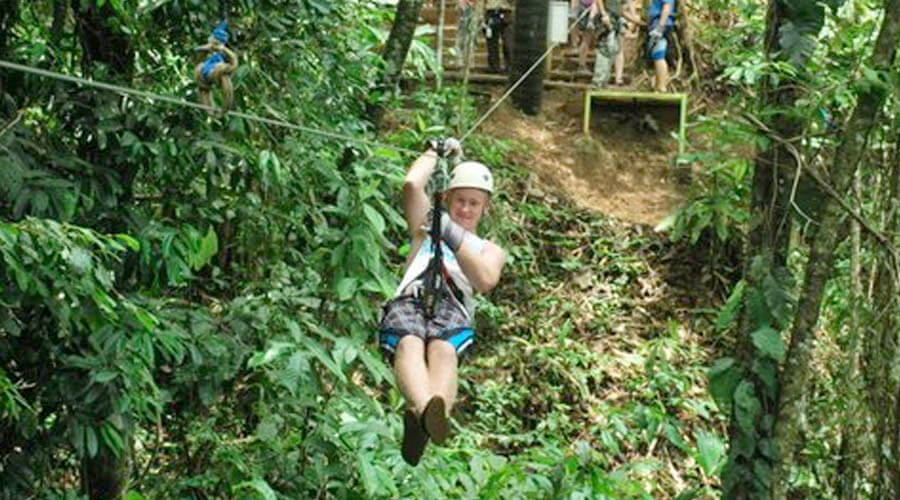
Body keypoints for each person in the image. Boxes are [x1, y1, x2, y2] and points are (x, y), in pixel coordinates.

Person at [378, 139, 505, 466]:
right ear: (447, 198)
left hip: (453, 303)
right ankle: (427, 414)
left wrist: (449, 233)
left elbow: (486, 279)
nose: (465, 209)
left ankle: (427, 416)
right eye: (460, 200)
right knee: (408, 344)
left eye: (473, 203)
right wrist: (433, 151)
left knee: (443, 351)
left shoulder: (488, 248)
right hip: (413, 296)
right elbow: (411, 184)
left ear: (484, 208)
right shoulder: (426, 226)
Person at [194, 20, 239, 114]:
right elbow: (198, 58)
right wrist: (206, 48)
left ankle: (224, 109)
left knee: (226, 83)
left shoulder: (222, 52)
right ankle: (209, 110)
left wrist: (223, 49)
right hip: (206, 70)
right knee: (203, 88)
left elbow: (234, 62)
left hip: (217, 70)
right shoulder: (209, 49)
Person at [589, 0, 635, 87]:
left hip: (615, 21)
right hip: (606, 20)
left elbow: (622, 10)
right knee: (604, 50)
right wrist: (603, 14)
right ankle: (598, 81)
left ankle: (604, 80)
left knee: (614, 49)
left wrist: (635, 21)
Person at [644, 0, 676, 92]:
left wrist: (660, 27)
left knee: (658, 54)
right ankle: (658, 86)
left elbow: (667, 5)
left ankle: (662, 86)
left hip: (660, 22)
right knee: (656, 53)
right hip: (658, 22)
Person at [483, 0, 513, 74]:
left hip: (505, 12)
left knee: (508, 42)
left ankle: (510, 67)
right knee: (491, 42)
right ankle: (494, 67)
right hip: (490, 12)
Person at [570, 0, 596, 73]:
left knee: (587, 38)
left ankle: (582, 65)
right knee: (586, 38)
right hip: (582, 7)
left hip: (592, 9)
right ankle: (582, 65)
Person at [455, 0, 478, 68]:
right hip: (462, 10)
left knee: (472, 38)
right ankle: (459, 59)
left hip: (474, 11)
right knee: (461, 38)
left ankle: (470, 60)